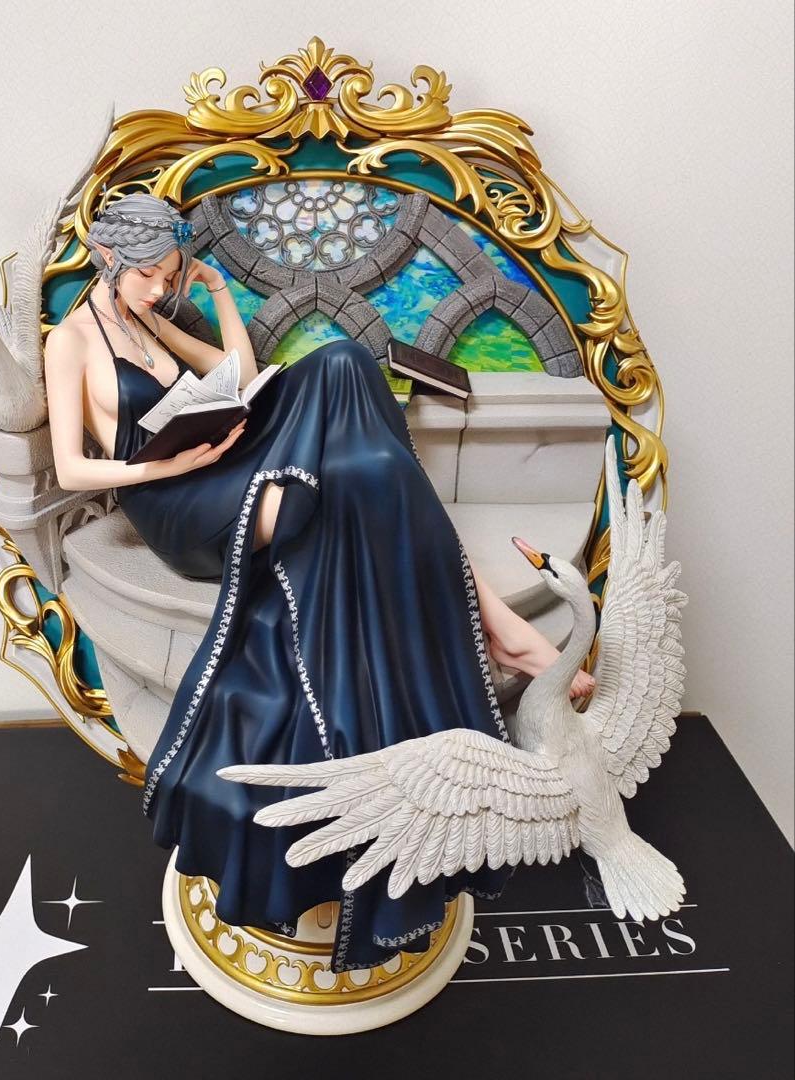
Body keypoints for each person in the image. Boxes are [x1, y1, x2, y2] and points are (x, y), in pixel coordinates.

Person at [44, 192, 596, 972]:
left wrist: (216, 292)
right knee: (359, 478)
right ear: (107, 259)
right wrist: (168, 465)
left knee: (344, 364)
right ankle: (501, 630)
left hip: (213, 462)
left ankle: (499, 630)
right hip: (174, 503)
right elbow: (71, 468)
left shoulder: (147, 318)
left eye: (170, 274)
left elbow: (239, 377)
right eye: (148, 276)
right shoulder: (70, 341)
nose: (161, 288)